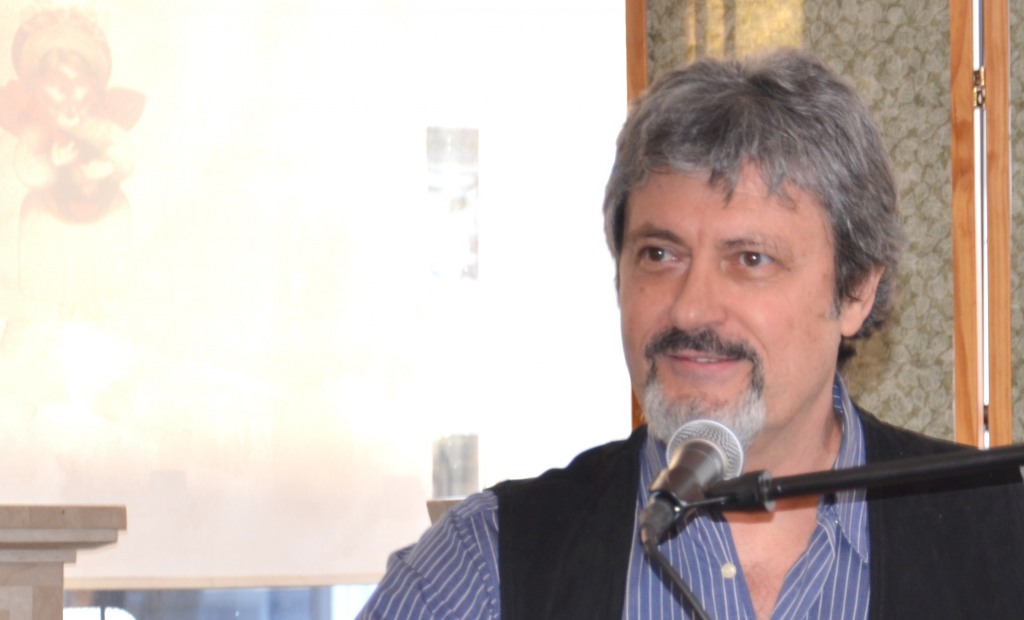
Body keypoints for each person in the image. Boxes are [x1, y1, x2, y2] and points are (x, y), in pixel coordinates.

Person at [358, 49, 1024, 620]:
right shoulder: (484, 565)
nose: (691, 309)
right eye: (659, 255)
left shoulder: (1002, 534)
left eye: (751, 259)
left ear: (855, 292)